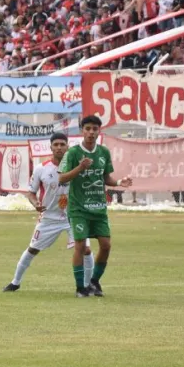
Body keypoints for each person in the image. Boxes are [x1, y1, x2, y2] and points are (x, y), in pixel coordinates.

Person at [58, 116, 133, 298]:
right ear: (82, 130)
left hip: (99, 207)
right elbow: (61, 178)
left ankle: (94, 281)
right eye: (88, 128)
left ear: (99, 131)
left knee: (106, 245)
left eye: (95, 129)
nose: (91, 132)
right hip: (79, 208)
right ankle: (80, 288)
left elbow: (106, 178)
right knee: (81, 246)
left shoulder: (103, 152)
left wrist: (119, 182)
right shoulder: (73, 153)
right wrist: (80, 168)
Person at [3, 133, 83, 291]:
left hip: (73, 216)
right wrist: (36, 203)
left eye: (62, 144)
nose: (59, 147)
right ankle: (15, 282)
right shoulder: (41, 169)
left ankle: (87, 285)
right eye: (56, 145)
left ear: (67, 146)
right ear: (51, 147)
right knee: (33, 248)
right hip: (48, 217)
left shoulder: (76, 167)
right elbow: (30, 192)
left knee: (84, 249)